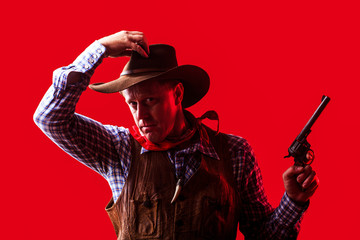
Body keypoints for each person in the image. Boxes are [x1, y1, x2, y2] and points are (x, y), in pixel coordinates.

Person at [34, 30, 319, 239]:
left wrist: (294, 201)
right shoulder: (118, 149)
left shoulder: (234, 153)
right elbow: (49, 118)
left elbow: (264, 236)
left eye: (150, 101)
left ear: (178, 94)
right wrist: (99, 49)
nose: (141, 116)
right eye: (132, 104)